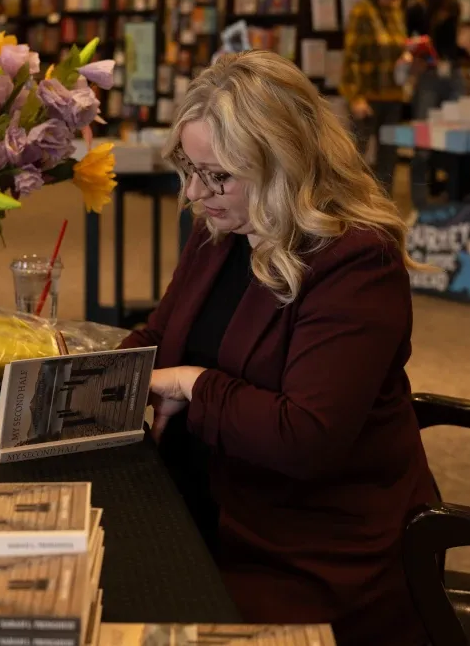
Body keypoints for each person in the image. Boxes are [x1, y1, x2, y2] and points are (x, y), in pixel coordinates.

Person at [120, 50, 436, 646]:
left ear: (283, 165)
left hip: (310, 543)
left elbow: (306, 437)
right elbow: (162, 336)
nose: (194, 192)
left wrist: (192, 384)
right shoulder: (220, 229)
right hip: (212, 495)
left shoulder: (356, 260)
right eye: (188, 168)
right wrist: (87, 371)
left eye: (217, 175)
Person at [340, 0, 406, 194]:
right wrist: (355, 96)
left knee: (389, 156)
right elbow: (352, 58)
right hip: (367, 97)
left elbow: (398, 48)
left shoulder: (396, 12)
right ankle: (348, 205)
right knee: (356, 156)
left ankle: (385, 210)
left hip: (393, 96)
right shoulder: (362, 12)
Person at [407, 0, 467, 209]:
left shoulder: (454, 5)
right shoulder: (418, 7)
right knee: (422, 140)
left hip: (452, 72)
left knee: (457, 134)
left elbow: (453, 44)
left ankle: (455, 194)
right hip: (429, 75)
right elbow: (410, 40)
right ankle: (420, 199)